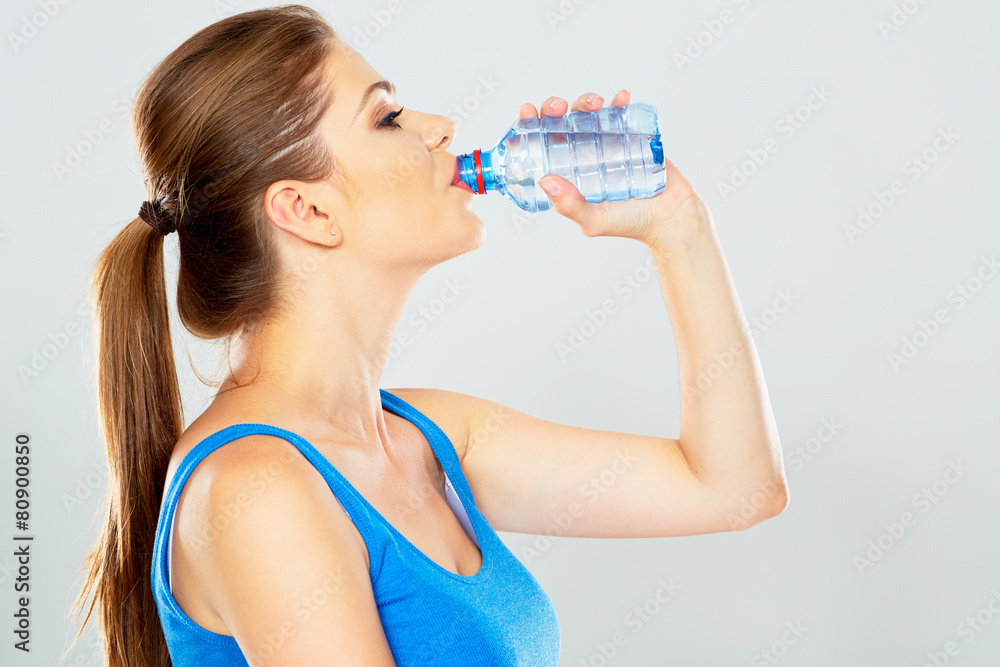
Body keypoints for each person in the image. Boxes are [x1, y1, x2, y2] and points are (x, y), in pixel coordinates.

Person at [68, 5, 788, 666]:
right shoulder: (259, 492)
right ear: (306, 210)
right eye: (387, 118)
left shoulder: (427, 436)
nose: (441, 126)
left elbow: (732, 488)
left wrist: (680, 231)